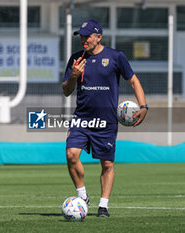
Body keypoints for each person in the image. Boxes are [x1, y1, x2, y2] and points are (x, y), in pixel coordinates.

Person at [62, 19, 148, 217]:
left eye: (87, 36)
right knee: (71, 154)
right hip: (82, 118)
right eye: (81, 36)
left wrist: (143, 106)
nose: (83, 39)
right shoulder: (76, 59)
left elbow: (133, 81)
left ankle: (103, 206)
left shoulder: (116, 57)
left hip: (106, 120)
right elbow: (66, 91)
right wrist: (74, 76)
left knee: (107, 164)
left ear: (98, 37)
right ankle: (82, 196)